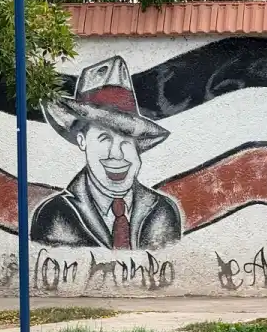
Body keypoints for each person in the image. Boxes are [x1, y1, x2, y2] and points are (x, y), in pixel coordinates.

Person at [31, 55, 182, 250]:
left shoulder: (163, 212)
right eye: (104, 138)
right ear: (82, 140)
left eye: (126, 140)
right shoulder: (57, 215)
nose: (117, 154)